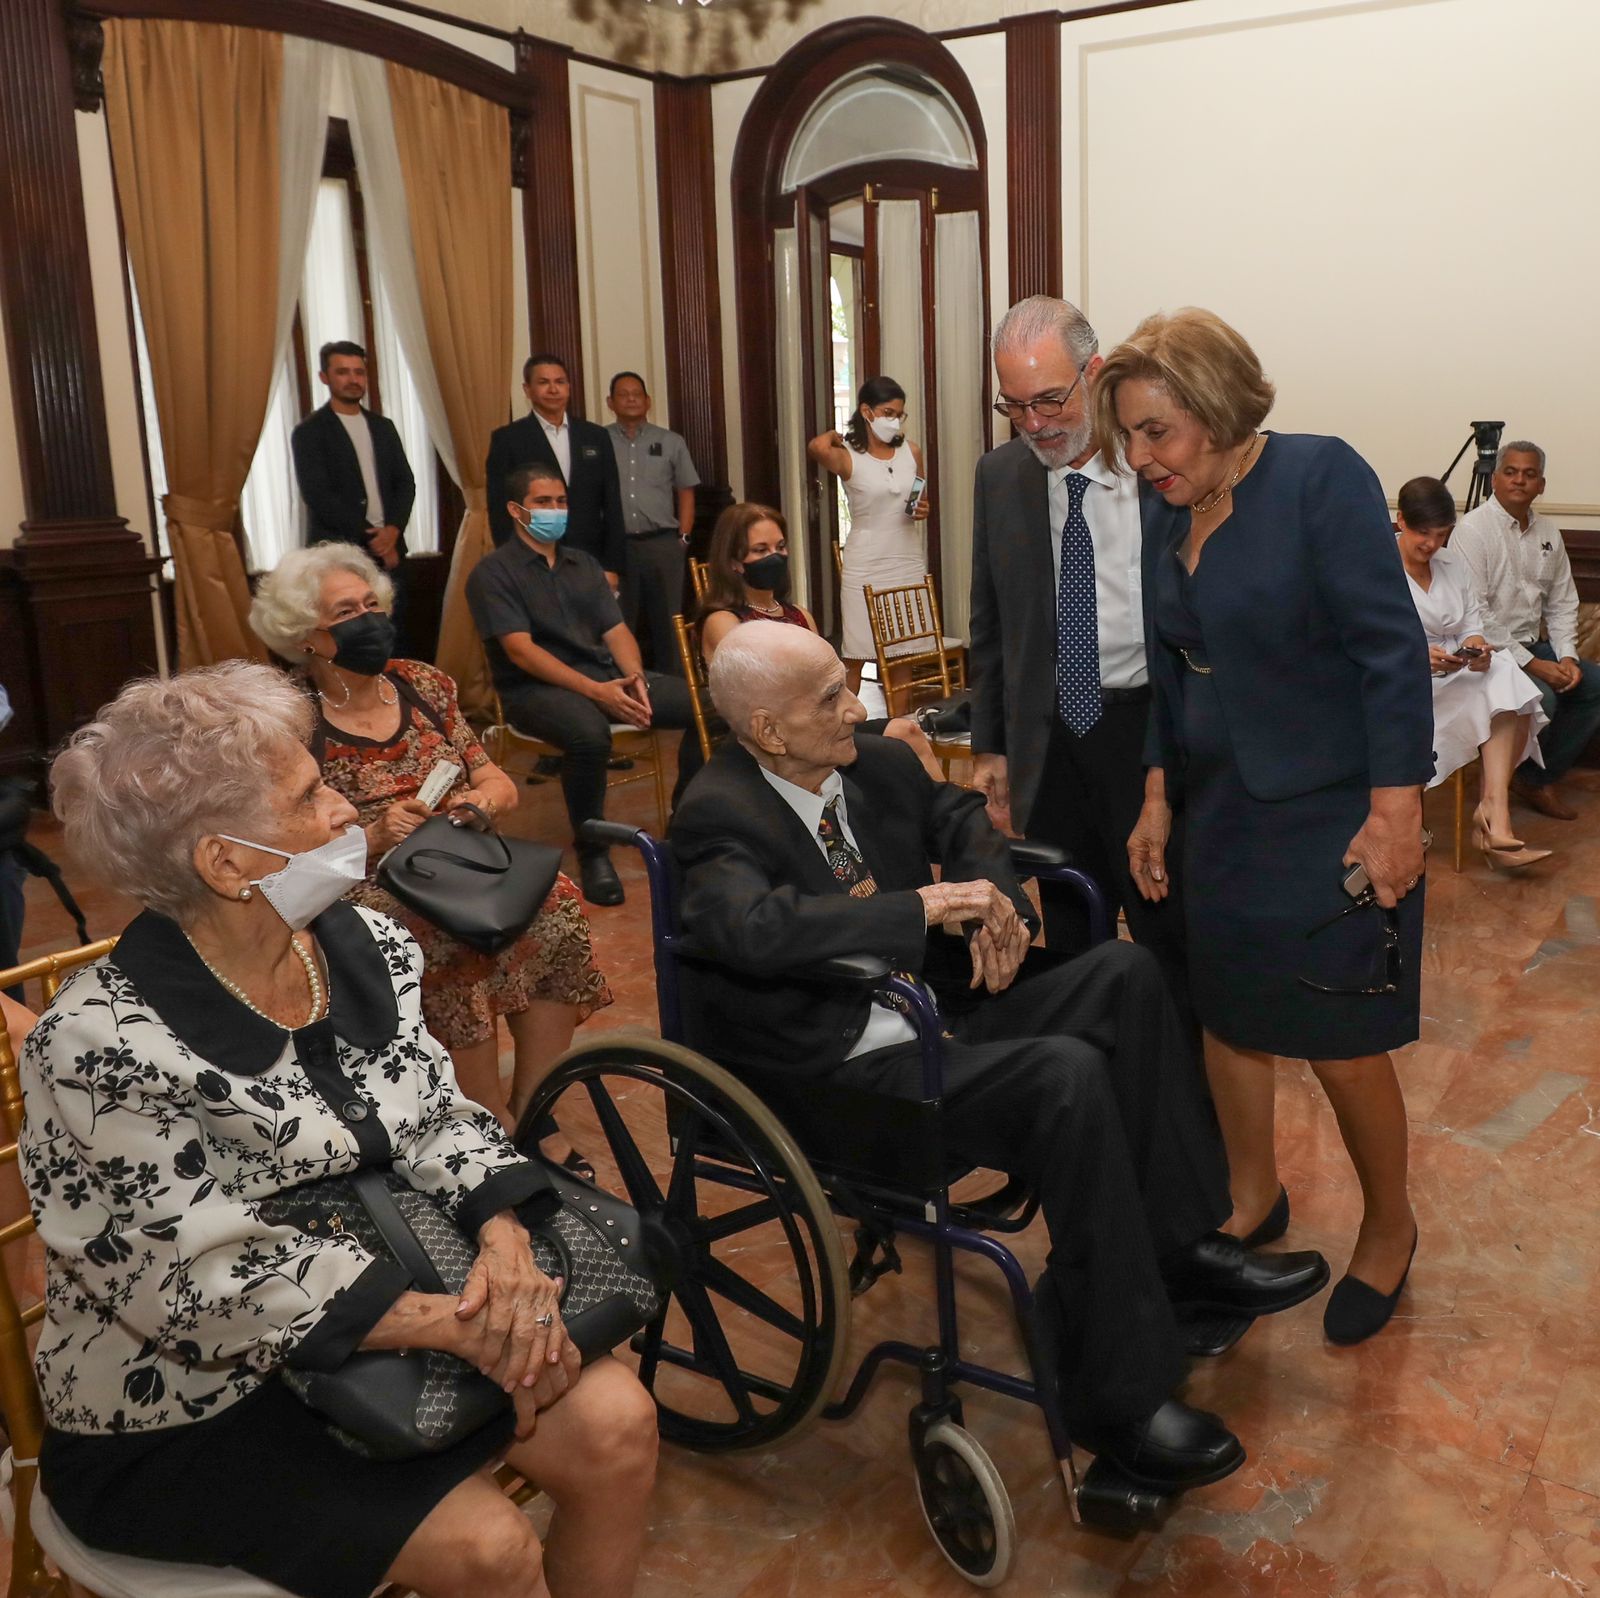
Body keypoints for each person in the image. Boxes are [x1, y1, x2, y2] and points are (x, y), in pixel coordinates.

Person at [22, 662, 657, 1598]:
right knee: (491, 1551)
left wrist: (502, 1238)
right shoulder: (96, 1043)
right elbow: (194, 1284)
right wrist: (453, 1325)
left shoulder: (365, 945)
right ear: (226, 863)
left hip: (398, 1307)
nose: (347, 811)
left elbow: (438, 1116)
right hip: (191, 1399)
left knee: (619, 1425)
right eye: (310, 794)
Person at [671, 624, 1330, 1494]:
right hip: (839, 1075)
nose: (858, 708)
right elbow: (746, 928)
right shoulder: (717, 810)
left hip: (930, 1014)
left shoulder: (874, 762)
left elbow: (960, 817)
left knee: (1128, 975)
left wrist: (1000, 898)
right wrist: (925, 904)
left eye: (847, 684)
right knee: (1063, 1074)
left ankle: (1178, 1252)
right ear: (766, 729)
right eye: (829, 697)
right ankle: (1117, 1404)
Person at [1096, 308, 1433, 1347]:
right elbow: (1170, 666)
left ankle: (1388, 1224)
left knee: (1337, 1032)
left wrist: (1395, 811)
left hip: (1331, 805)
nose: (1141, 457)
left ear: (1214, 406)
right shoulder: (1168, 505)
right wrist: (1157, 793)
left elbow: (1389, 651)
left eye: (1157, 430)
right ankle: (1249, 1200)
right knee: (1229, 1010)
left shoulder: (1319, 478)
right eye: (1130, 436)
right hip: (1219, 803)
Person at [250, 542, 613, 1141]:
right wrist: (373, 834)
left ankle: (534, 1109)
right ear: (304, 636)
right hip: (363, 879)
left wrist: (478, 803)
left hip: (456, 855)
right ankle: (485, 1124)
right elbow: (281, 848)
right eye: (346, 613)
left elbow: (495, 780)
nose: (369, 621)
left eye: (372, 604)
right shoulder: (289, 721)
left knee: (558, 904)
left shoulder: (425, 685)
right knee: (442, 939)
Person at [970, 295, 1190, 1015]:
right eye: (1014, 406)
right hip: (1051, 739)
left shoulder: (1161, 470)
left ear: (1094, 375)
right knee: (1069, 928)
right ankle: (1093, 1078)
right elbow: (992, 622)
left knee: (1167, 924)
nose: (1035, 425)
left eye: (1050, 400)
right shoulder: (1001, 476)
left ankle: (1181, 1086)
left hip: (1148, 732)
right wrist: (991, 747)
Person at [468, 466, 698, 909]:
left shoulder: (584, 564)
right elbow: (521, 652)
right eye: (543, 502)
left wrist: (634, 679)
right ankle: (594, 852)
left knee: (708, 706)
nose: (555, 510)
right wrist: (598, 691)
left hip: (606, 678)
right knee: (588, 734)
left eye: (561, 501)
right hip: (533, 691)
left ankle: (689, 818)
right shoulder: (493, 573)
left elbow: (616, 632)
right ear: (516, 510)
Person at [696, 501, 946, 782]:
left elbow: (827, 678)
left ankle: (947, 817)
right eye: (761, 550)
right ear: (733, 562)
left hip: (821, 725)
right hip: (776, 740)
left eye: (780, 547)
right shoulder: (723, 620)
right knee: (898, 746)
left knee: (907, 732)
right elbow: (767, 690)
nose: (775, 557)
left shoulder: (798, 614)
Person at [1394, 476, 1550, 871]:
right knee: (1503, 683)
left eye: (1441, 535)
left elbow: (1469, 623)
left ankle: (1495, 812)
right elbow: (1364, 638)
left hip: (1452, 670)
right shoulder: (1376, 568)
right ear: (1401, 521)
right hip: (1403, 680)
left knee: (1499, 669)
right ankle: (1492, 818)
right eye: (1423, 534)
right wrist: (1415, 655)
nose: (1432, 545)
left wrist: (1477, 648)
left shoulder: (1450, 563)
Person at [1446, 441, 1600, 822]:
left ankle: (1534, 779)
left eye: (1529, 474)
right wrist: (1535, 666)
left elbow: (1563, 601)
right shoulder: (1473, 530)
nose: (1520, 480)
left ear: (1542, 485)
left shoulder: (1549, 531)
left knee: (1594, 686)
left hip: (1536, 646)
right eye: (1511, 472)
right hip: (1487, 653)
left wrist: (1566, 656)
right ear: (1495, 479)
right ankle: (1494, 794)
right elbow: (1476, 613)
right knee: (1541, 698)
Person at [807, 376, 932, 691]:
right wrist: (837, 434)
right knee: (856, 652)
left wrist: (922, 509)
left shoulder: (911, 451)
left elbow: (918, 498)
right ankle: (846, 727)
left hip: (905, 556)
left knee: (903, 650)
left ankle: (898, 726)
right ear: (867, 411)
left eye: (899, 414)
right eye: (888, 412)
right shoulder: (848, 455)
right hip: (865, 559)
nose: (894, 421)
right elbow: (816, 447)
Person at [291, 340, 416, 640]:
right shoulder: (310, 432)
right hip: (337, 553)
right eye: (343, 372)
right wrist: (374, 539)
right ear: (325, 377)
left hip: (390, 552)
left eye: (359, 372)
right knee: (348, 638)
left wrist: (394, 531)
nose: (353, 379)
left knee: (396, 635)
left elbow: (405, 483)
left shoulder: (383, 426)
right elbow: (318, 496)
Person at [486, 355, 626, 586]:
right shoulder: (507, 439)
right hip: (533, 558)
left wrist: (612, 566)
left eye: (560, 382)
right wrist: (512, 562)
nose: (553, 389)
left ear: (569, 387)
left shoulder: (595, 436)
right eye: (543, 382)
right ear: (527, 389)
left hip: (591, 559)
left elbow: (612, 503)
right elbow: (500, 509)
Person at [606, 371, 700, 676]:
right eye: (623, 394)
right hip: (616, 546)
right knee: (618, 621)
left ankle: (676, 692)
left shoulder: (670, 441)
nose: (631, 398)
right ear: (610, 402)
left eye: (637, 393)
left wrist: (683, 537)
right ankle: (624, 690)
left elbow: (686, 490)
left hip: (663, 545)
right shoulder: (597, 441)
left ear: (648, 401)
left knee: (669, 622)